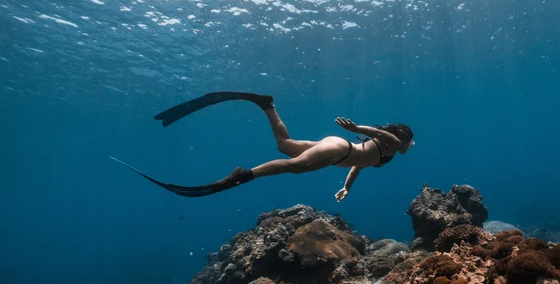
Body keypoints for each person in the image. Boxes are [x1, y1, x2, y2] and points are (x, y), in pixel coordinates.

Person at [111, 92, 414, 201]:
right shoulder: (392, 145)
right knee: (295, 168)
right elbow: (392, 141)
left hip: (340, 151)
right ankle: (245, 175)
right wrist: (357, 128)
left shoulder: (382, 150)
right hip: (340, 148)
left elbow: (358, 166)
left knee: (284, 145)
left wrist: (347, 186)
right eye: (409, 140)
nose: (410, 146)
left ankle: (266, 104)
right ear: (401, 135)